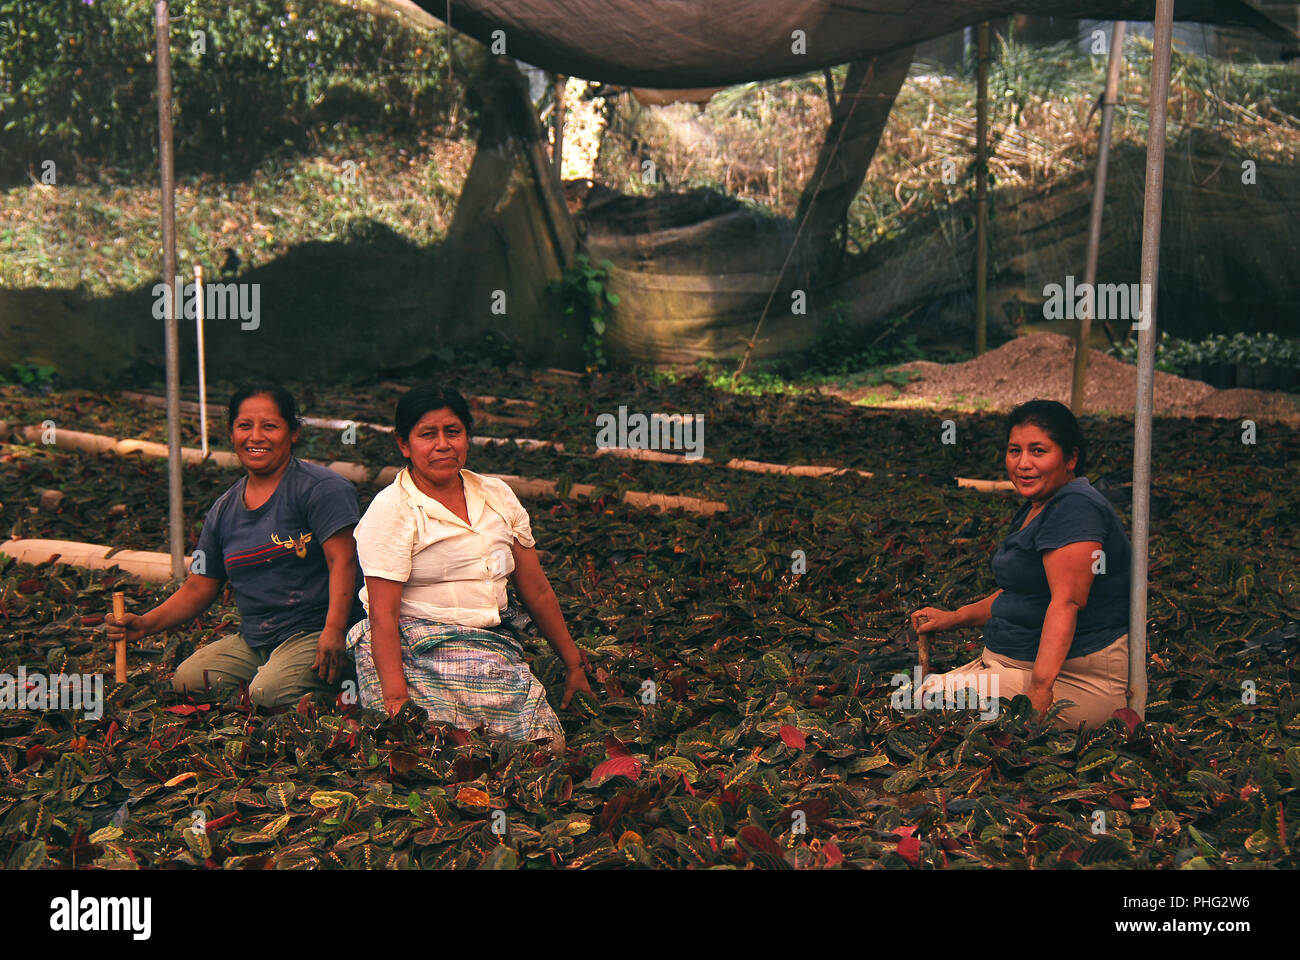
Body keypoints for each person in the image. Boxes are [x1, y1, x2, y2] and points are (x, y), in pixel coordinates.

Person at [346, 383, 591, 752]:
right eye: (427, 434)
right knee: (432, 750)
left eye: (454, 432)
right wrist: (397, 704)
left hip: (489, 645)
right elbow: (383, 616)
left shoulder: (496, 494)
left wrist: (574, 664)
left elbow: (536, 589)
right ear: (404, 444)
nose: (443, 444)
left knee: (546, 746)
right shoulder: (392, 509)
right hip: (413, 646)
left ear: (467, 437)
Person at [106, 384, 364, 708]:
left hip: (318, 630)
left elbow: (343, 562)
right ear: (232, 434)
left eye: (269, 426)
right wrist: (144, 624)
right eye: (245, 426)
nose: (256, 437)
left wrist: (334, 630)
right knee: (189, 681)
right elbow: (199, 586)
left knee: (266, 696)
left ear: (294, 433)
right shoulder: (223, 510)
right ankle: (277, 674)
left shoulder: (322, 489)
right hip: (258, 637)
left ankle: (339, 690)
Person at [909, 399, 1133, 730]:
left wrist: (1040, 691)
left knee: (925, 703)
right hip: (1011, 666)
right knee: (915, 698)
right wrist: (954, 618)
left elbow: (1066, 602)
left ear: (1070, 458)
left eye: (1038, 451)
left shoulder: (1076, 509)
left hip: (1074, 680)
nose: (1023, 463)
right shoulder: (1041, 504)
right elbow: (1020, 594)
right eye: (1015, 451)